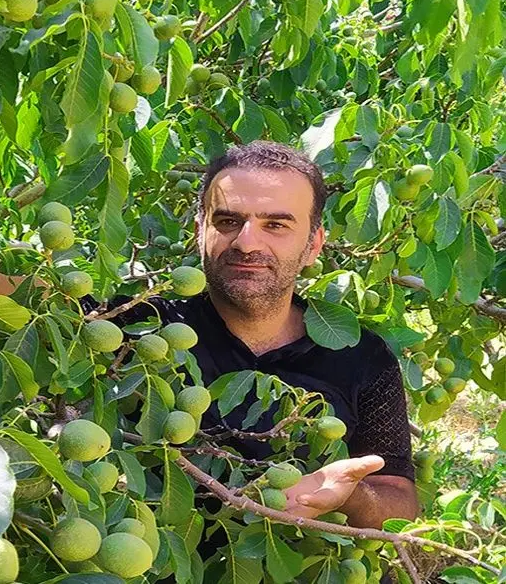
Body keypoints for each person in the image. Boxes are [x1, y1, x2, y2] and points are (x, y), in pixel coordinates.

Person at [82, 141, 419, 530]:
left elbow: (399, 500)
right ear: (199, 231)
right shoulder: (141, 325)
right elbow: (24, 300)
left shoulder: (362, 356)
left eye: (275, 225)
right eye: (227, 221)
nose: (246, 242)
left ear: (313, 244)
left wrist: (352, 496)